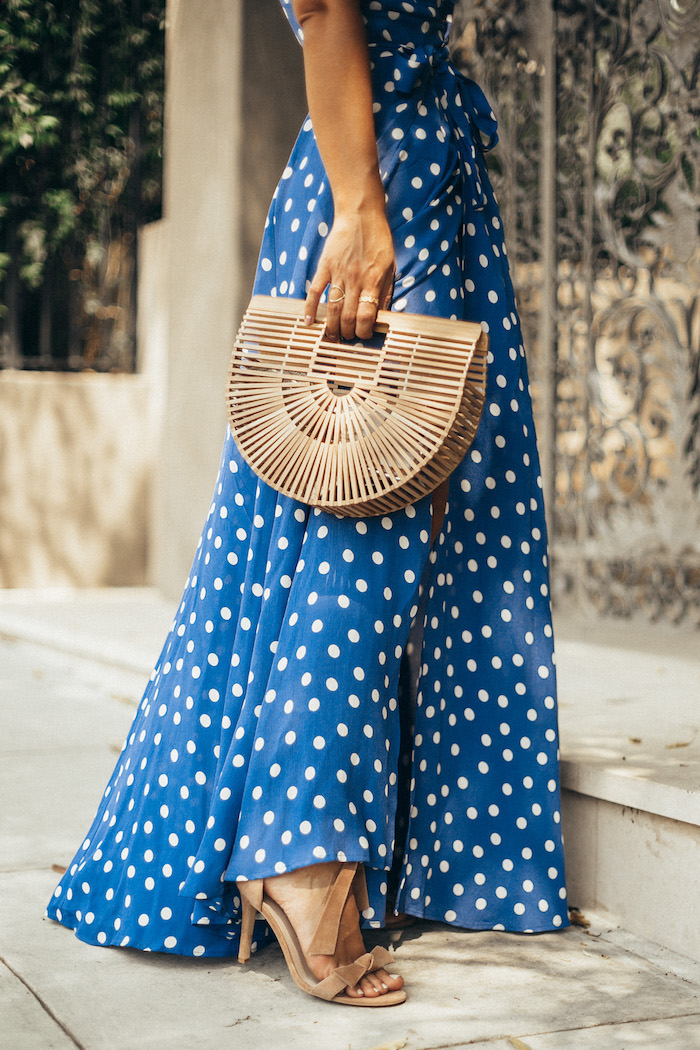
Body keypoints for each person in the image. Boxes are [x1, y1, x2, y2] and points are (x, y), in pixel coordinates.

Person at [47, 0, 569, 1008]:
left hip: (409, 171)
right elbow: (328, 6)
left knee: (416, 525)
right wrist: (362, 206)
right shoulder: (372, 186)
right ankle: (300, 858)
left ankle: (374, 847)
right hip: (378, 186)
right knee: (357, 533)